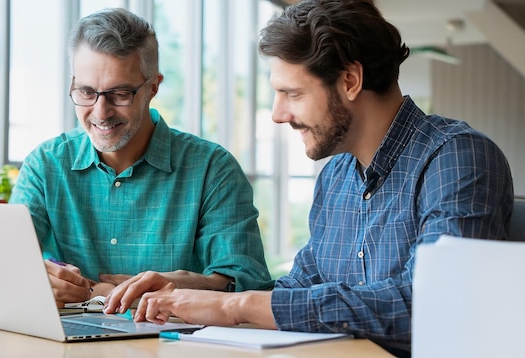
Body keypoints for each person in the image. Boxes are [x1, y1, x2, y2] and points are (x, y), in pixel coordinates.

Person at [102, 0, 514, 356]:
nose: (278, 114)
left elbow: (428, 303)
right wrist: (201, 289)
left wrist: (238, 307)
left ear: (350, 81)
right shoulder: (336, 175)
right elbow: (298, 290)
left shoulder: (457, 157)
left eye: (292, 94)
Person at [9, 8, 273, 308]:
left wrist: (168, 285)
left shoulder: (213, 169)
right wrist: (38, 279)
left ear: (153, 87)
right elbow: (6, 263)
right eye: (86, 91)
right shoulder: (45, 165)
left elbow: (247, 283)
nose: (100, 112)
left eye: (120, 94)